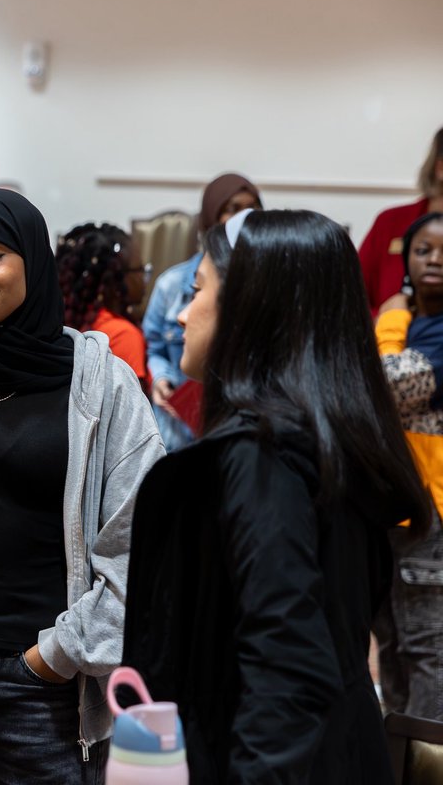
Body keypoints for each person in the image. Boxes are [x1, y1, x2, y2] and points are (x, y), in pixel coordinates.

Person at [123, 209, 431, 783]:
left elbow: (287, 670)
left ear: (249, 305)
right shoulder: (330, 446)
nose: (183, 314)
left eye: (197, 290)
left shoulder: (261, 457)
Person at [0, 188, 164, 785]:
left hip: (44, 692)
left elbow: (143, 541)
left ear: (33, 261)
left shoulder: (103, 383)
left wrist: (55, 657)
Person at [373, 210, 443, 721]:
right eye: (423, 250)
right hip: (389, 506)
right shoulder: (410, 324)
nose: (435, 259)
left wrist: (391, 319)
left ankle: (427, 759)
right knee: (392, 645)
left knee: (428, 648)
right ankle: (399, 758)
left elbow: (386, 384)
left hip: (431, 512)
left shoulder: (408, 327)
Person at [142, 173, 262, 451]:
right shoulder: (172, 284)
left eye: (252, 208)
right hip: (178, 428)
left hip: (241, 429)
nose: (243, 217)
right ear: (211, 217)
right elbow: (154, 346)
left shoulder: (263, 283)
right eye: (232, 208)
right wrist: (161, 378)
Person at [56, 222, 151, 390]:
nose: (144, 277)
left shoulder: (71, 321)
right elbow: (134, 403)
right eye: (140, 269)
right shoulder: (124, 335)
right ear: (115, 281)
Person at [359, 125, 443, 314]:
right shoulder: (391, 223)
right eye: (423, 250)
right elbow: (349, 301)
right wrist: (384, 319)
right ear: (440, 168)